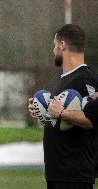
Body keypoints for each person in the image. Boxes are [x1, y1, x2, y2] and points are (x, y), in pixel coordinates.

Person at [28, 24, 98, 189]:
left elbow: (92, 119)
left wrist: (62, 113)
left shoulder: (83, 79)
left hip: (73, 176)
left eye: (54, 45)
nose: (53, 50)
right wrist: (42, 110)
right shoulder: (66, 79)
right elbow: (61, 118)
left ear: (63, 45)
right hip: (59, 173)